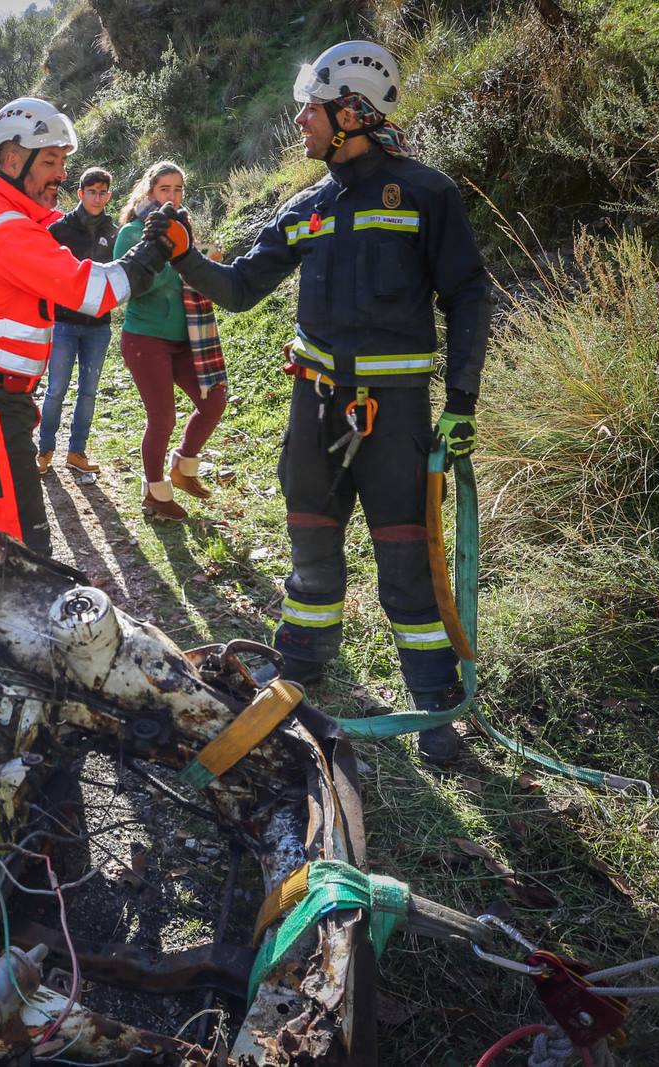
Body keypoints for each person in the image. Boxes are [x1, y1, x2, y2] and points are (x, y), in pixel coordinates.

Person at [170, 41, 491, 763]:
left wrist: (461, 404)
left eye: (310, 109)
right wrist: (186, 255)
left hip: (396, 416)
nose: (300, 122)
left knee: (406, 561)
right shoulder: (306, 206)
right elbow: (242, 289)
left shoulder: (426, 194)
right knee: (311, 548)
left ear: (353, 111)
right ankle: (299, 671)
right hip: (313, 409)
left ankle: (434, 704)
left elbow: (468, 294)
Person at [0, 97, 186, 555]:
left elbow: (74, 226)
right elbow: (95, 293)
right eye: (50, 161)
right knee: (18, 547)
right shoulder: (7, 229)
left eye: (62, 162)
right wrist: (153, 251)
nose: (61, 173)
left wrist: (143, 219)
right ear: (12, 161)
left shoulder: (18, 220)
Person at [112, 160, 227, 522]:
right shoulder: (132, 232)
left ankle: (183, 467)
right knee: (162, 418)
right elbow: (132, 285)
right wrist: (182, 261)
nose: (173, 196)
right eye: (165, 189)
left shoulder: (183, 228)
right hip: (145, 338)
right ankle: (155, 493)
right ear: (149, 192)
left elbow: (192, 272)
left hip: (186, 338)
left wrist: (204, 262)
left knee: (214, 401)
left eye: (178, 189)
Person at [37, 166, 118, 476]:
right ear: (80, 193)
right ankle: (45, 451)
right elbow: (44, 271)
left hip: (98, 326)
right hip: (63, 323)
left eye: (103, 192)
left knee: (89, 391)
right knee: (56, 389)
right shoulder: (59, 229)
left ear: (109, 196)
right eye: (92, 192)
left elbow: (119, 274)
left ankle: (76, 452)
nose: (97, 198)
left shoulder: (114, 232)